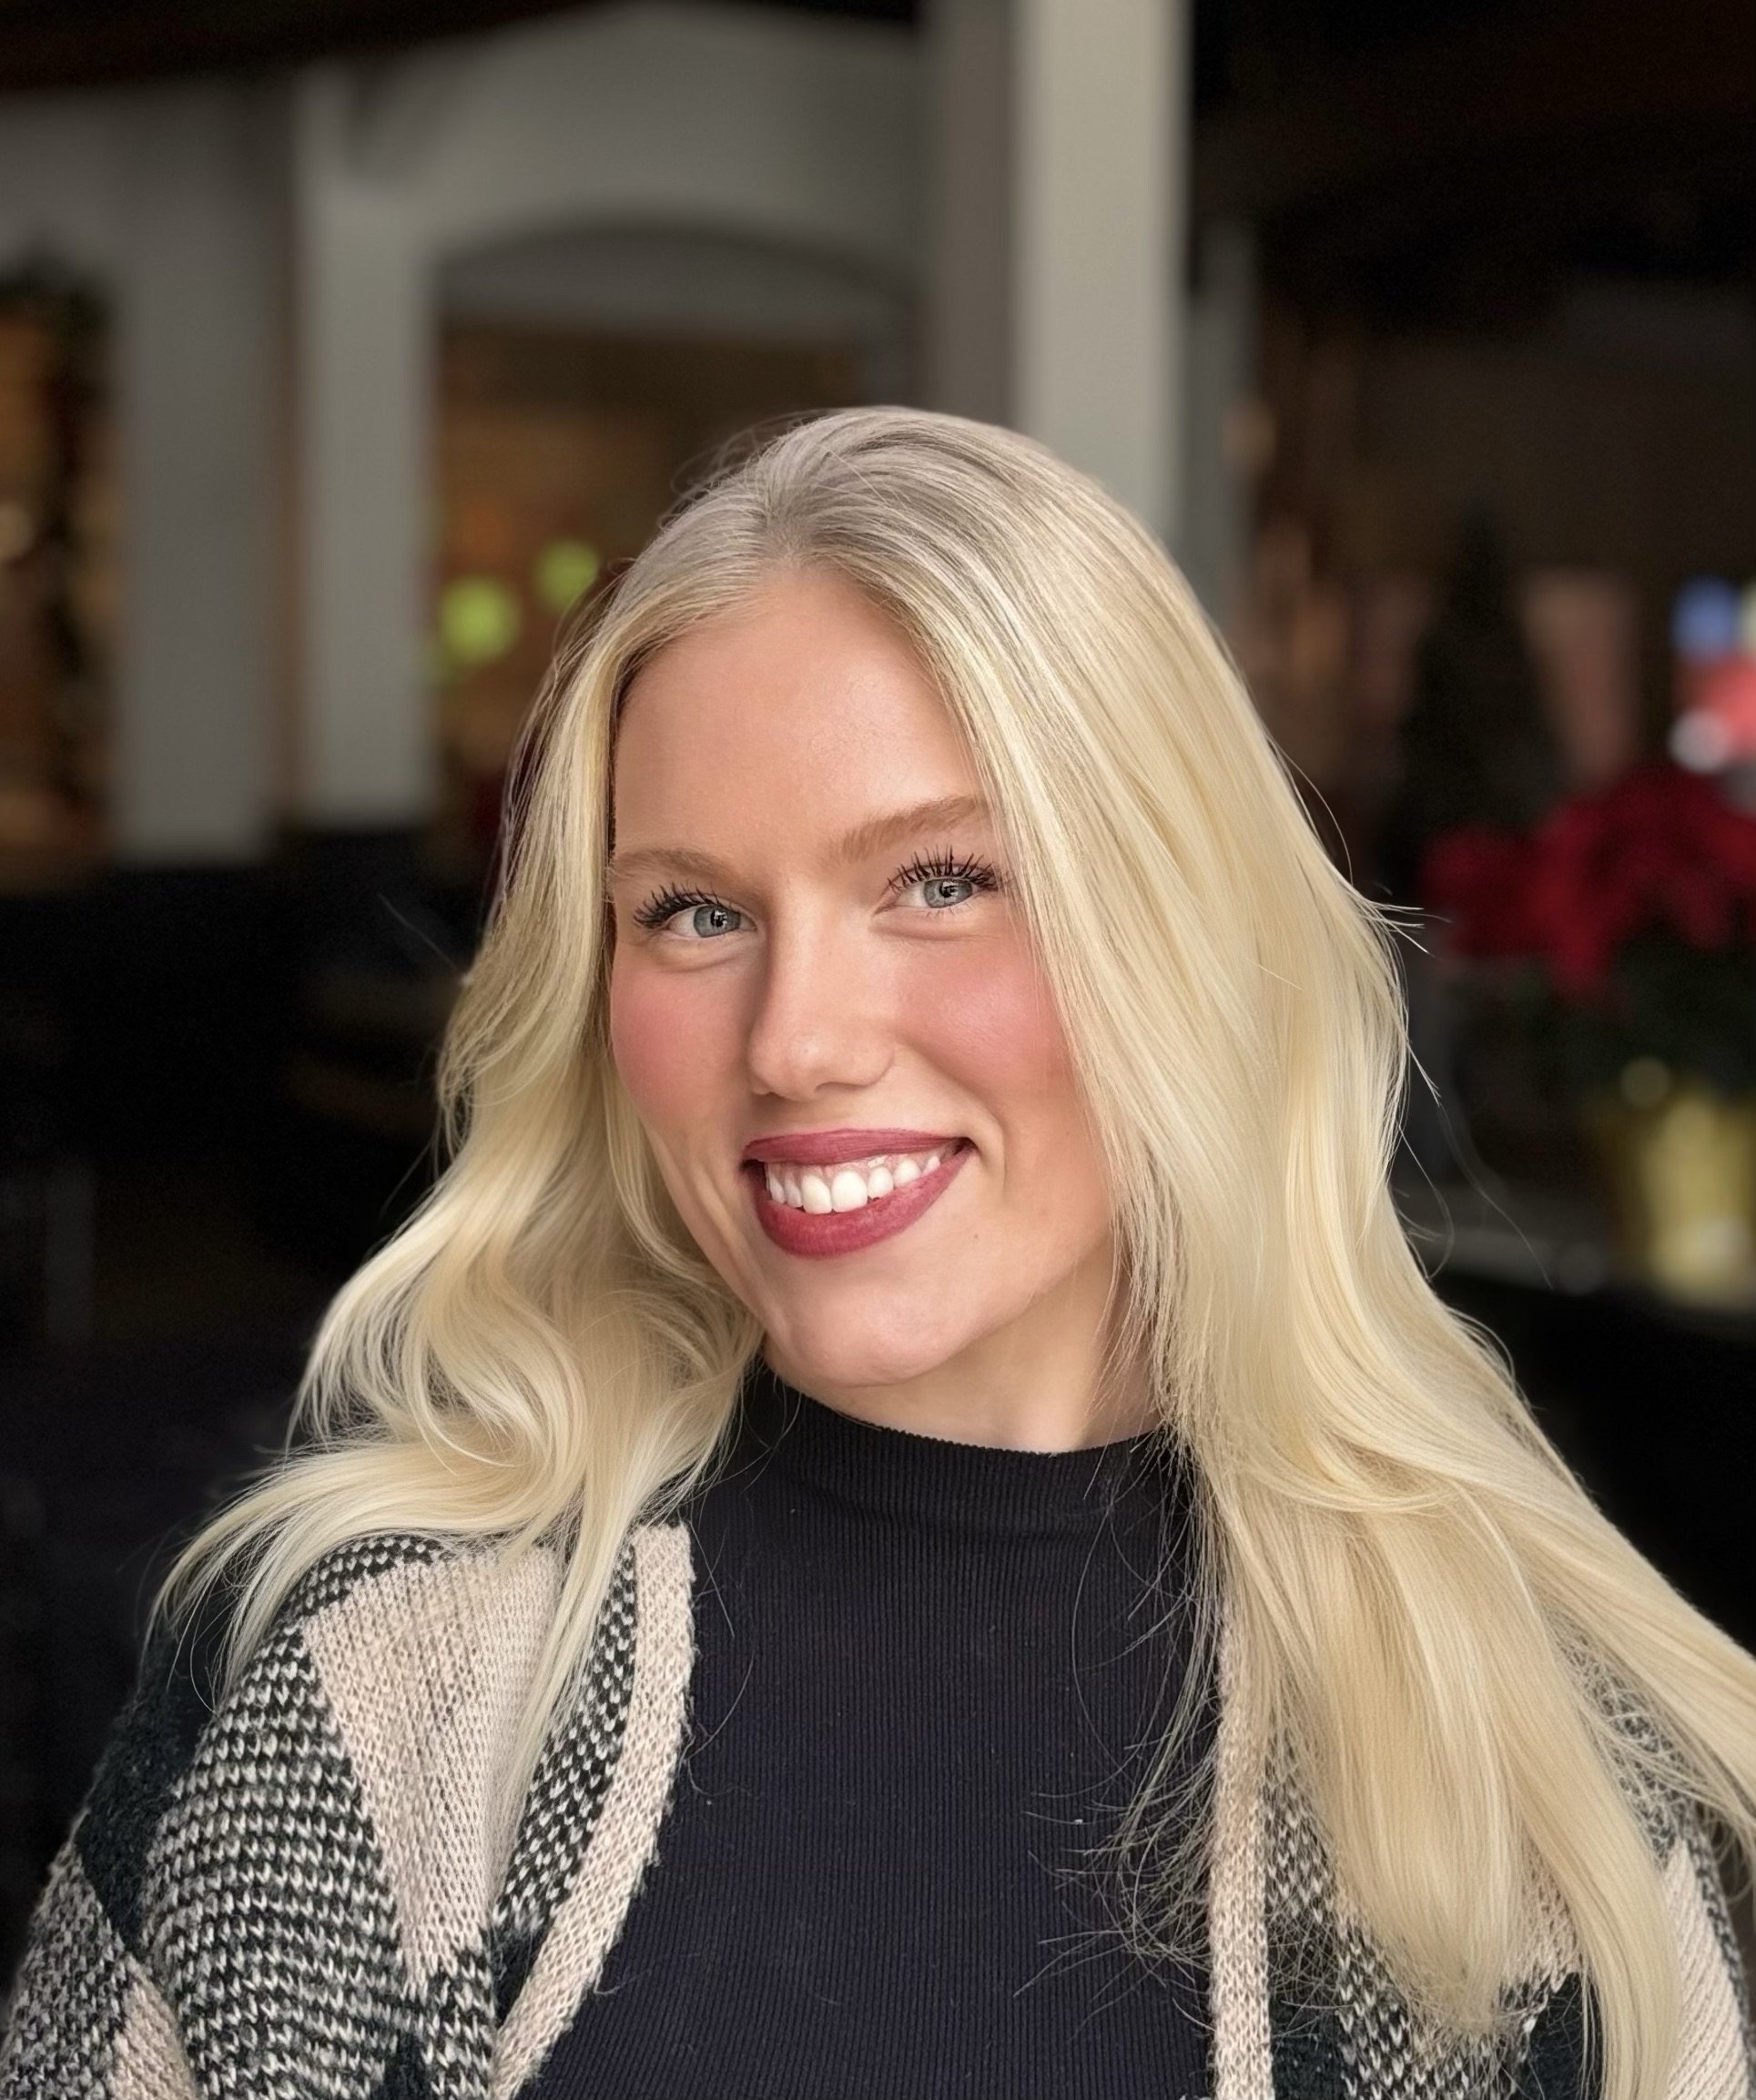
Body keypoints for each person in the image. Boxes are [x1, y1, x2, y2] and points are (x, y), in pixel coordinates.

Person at [3, 407, 1753, 2100]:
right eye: (695, 912)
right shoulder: (383, 1704)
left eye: (937, 881)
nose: (797, 1040)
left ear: (1177, 929)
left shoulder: (1532, 1776)